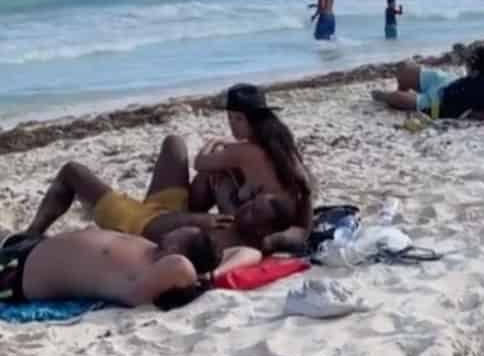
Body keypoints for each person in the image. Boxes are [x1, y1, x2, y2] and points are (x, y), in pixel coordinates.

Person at [20, 135, 292, 262]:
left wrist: (200, 221)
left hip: (135, 222)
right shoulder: (240, 218)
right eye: (252, 205)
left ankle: (32, 233)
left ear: (263, 230)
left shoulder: (238, 247)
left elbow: (164, 242)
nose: (246, 210)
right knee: (174, 144)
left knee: (72, 171)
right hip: (167, 208)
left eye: (255, 213)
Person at [188, 84, 314, 254]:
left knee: (211, 173)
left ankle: (189, 214)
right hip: (284, 215)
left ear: (254, 120)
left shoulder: (244, 151)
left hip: (258, 221)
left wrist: (214, 141)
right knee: (227, 170)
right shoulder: (281, 143)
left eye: (238, 119)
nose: (233, 125)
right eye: (230, 118)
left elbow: (199, 162)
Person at [1, 227, 221, 310]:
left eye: (184, 231)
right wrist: (216, 271)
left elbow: (182, 268)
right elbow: (247, 252)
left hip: (16, 275)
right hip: (28, 246)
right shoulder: (153, 251)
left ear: (178, 247)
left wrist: (202, 274)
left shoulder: (150, 275)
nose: (176, 229)